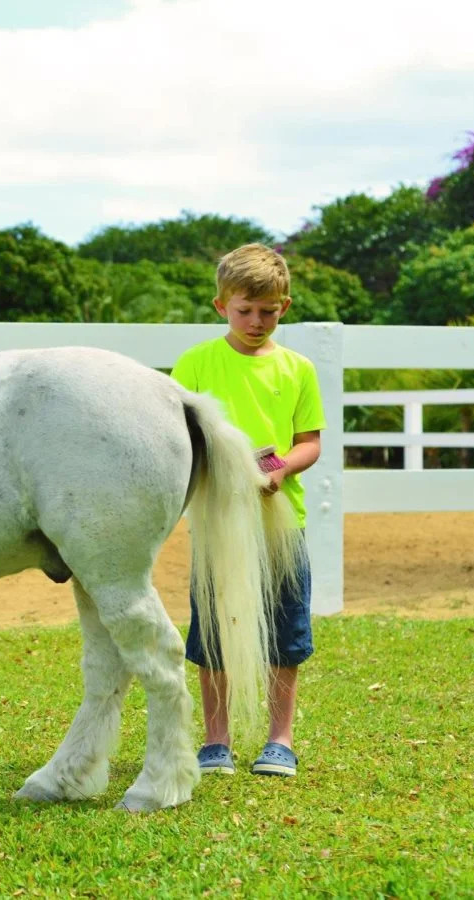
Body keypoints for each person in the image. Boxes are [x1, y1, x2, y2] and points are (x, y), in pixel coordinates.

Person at [170, 243, 325, 778]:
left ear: (285, 306)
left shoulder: (297, 369)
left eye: (269, 310)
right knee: (214, 631)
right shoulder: (195, 364)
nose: (257, 321)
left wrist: (281, 469)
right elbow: (181, 437)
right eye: (245, 311)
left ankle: (279, 740)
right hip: (218, 523)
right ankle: (217, 741)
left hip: (282, 525)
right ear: (221, 307)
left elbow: (309, 441)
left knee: (285, 633)